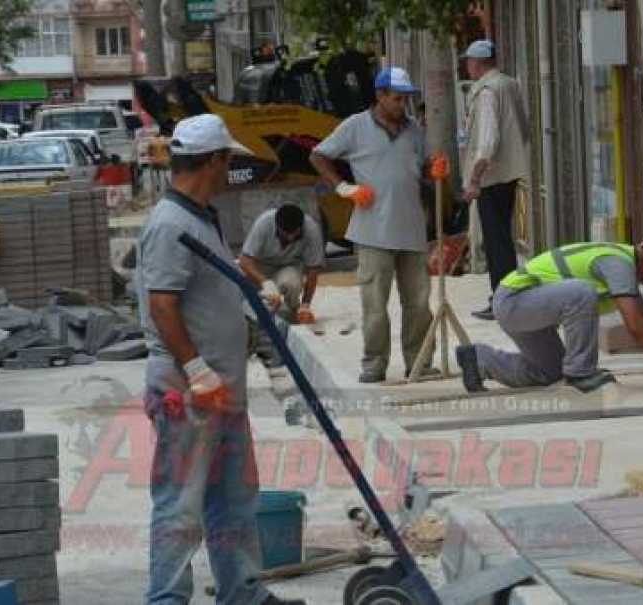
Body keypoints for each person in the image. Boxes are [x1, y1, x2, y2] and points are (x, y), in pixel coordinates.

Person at [136, 113, 302, 605]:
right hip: (189, 391)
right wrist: (195, 369)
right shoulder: (169, 224)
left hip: (221, 388)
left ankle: (243, 592)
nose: (231, 168)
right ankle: (166, 599)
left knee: (233, 501)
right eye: (227, 159)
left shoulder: (199, 216)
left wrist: (253, 290)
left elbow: (210, 279)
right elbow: (162, 305)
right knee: (180, 506)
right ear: (211, 161)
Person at [310, 67, 438, 383]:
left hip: (411, 231)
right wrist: (344, 188)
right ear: (379, 96)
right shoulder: (355, 127)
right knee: (375, 306)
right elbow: (318, 156)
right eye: (397, 99)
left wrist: (434, 170)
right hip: (372, 232)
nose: (402, 105)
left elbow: (422, 170)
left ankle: (419, 361)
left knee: (419, 304)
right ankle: (374, 363)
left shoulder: (414, 132)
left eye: (406, 99)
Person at [456, 232, 643, 394]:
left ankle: (479, 360)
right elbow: (635, 325)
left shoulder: (625, 268)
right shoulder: (619, 263)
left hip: (526, 308)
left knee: (549, 372)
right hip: (515, 300)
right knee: (582, 292)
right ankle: (581, 373)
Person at [460, 39, 530, 320]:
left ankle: (503, 301)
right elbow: (523, 129)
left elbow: (487, 141)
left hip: (491, 176)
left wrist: (475, 178)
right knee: (502, 237)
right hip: (508, 173)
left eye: (468, 61)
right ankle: (509, 297)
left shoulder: (487, 91)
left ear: (477, 63)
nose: (467, 66)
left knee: (496, 241)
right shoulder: (510, 84)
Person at [239, 204, 325, 323]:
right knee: (246, 295)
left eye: (294, 233)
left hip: (288, 265)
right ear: (277, 226)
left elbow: (313, 271)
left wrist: (306, 304)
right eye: (285, 233)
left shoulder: (312, 230)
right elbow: (244, 261)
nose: (290, 238)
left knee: (292, 284)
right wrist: (266, 282)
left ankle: (293, 312)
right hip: (260, 265)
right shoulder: (264, 223)